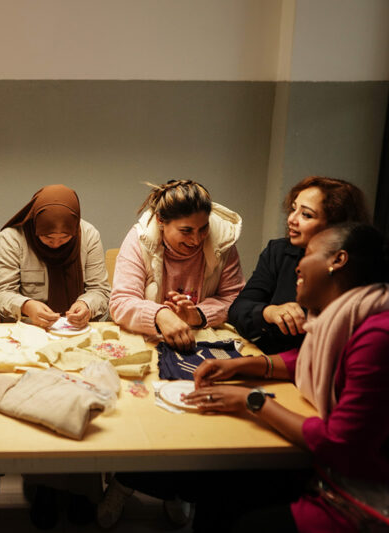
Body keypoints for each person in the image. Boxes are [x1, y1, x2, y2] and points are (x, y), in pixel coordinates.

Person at [187, 223, 389, 532]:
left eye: (307, 254)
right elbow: (308, 359)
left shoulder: (378, 335)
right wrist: (243, 366)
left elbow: (338, 442)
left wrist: (251, 400)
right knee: (218, 487)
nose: (297, 266)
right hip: (331, 472)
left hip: (360, 497)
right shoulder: (354, 313)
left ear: (338, 260)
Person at [228, 176, 370, 354]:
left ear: (335, 226)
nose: (291, 219)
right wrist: (268, 312)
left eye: (306, 215)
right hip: (271, 357)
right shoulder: (278, 251)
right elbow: (238, 310)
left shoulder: (355, 270)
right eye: (293, 209)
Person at [109, 180, 245, 350]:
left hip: (203, 342)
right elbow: (121, 302)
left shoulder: (223, 242)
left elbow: (236, 299)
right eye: (186, 231)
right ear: (160, 221)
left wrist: (199, 315)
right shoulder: (139, 240)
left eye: (203, 229)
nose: (196, 240)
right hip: (150, 342)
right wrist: (160, 315)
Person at [0, 184, 110, 327]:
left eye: (65, 237)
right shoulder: (13, 237)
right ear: (36, 225)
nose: (56, 244)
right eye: (47, 237)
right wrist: (26, 306)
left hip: (76, 328)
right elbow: (2, 292)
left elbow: (100, 290)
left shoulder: (88, 235)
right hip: (28, 327)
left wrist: (86, 304)